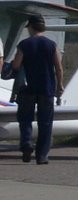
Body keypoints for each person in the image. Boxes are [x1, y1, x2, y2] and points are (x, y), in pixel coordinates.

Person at [5, 15, 64, 163]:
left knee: (25, 119)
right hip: (47, 88)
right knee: (45, 122)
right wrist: (60, 86)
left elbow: (16, 65)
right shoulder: (51, 45)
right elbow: (58, 67)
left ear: (31, 27)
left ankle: (26, 145)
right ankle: (42, 155)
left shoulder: (24, 44)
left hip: (27, 88)